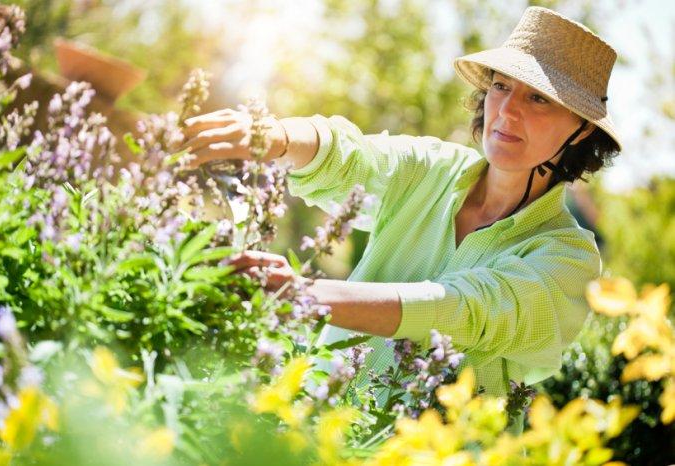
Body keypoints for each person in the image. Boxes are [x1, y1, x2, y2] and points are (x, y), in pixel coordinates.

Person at [181, 7, 621, 399]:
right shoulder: (432, 169)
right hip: (317, 420)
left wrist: (302, 294)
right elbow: (350, 156)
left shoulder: (567, 256)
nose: (506, 112)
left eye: (537, 98)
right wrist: (272, 136)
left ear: (582, 129)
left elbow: (462, 310)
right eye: (501, 86)